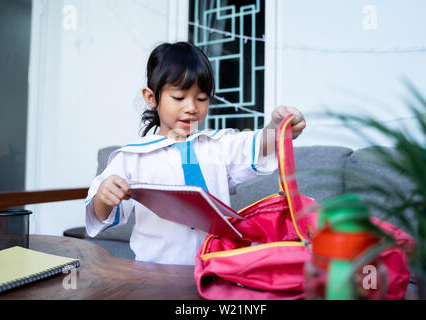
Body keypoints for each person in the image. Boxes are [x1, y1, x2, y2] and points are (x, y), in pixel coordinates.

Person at [85, 41, 306, 265]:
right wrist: (105, 196)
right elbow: (99, 215)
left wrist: (279, 127)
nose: (192, 107)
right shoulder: (132, 158)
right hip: (155, 273)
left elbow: (259, 144)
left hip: (217, 269)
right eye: (179, 98)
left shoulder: (217, 145)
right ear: (151, 98)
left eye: (201, 98)